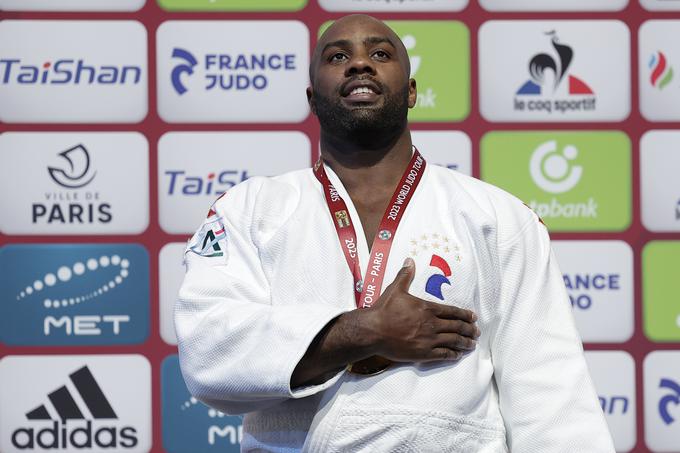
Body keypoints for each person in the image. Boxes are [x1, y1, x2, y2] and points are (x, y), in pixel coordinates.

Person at [175, 14, 615, 452]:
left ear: (411, 91)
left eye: (380, 54)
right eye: (338, 56)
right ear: (312, 97)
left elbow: (551, 392)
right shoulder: (250, 210)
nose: (359, 64)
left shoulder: (496, 217)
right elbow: (209, 348)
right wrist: (365, 330)